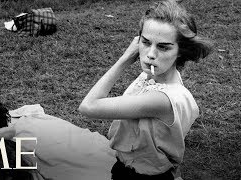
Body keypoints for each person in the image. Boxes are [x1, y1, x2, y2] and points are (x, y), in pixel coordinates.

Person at [79, 0, 213, 179]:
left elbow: (88, 107)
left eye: (163, 47)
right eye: (146, 42)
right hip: (126, 166)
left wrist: (125, 59)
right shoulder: (152, 76)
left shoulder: (161, 99)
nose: (150, 54)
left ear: (181, 51)